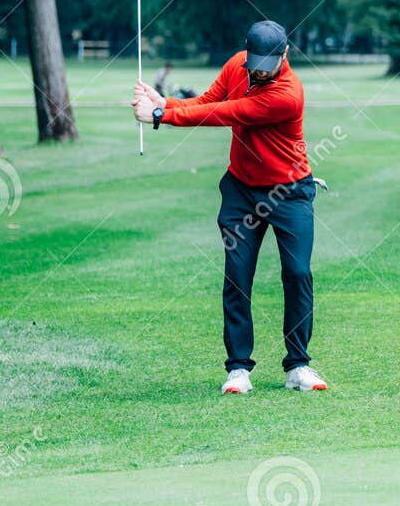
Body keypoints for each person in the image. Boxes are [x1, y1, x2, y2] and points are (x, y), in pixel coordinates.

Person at [131, 20, 328, 394]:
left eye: (266, 64)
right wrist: (165, 103)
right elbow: (208, 101)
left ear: (285, 55)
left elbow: (228, 113)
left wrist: (161, 116)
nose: (257, 70)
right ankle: (238, 369)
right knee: (237, 275)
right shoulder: (238, 64)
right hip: (241, 190)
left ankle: (298, 366)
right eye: (254, 62)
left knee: (298, 273)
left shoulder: (288, 93)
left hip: (289, 192)